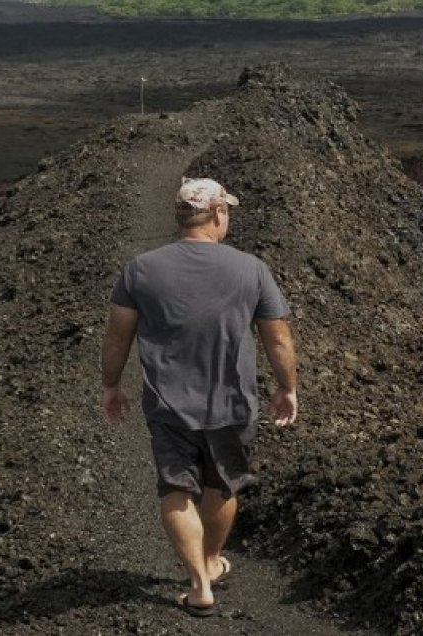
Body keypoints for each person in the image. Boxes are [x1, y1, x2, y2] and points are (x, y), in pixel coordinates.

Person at [100, 177, 298, 617]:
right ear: (217, 214)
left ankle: (198, 584)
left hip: (168, 406)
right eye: (226, 209)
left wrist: (111, 385)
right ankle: (209, 560)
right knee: (222, 484)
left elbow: (117, 337)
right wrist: (287, 388)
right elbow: (278, 339)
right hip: (232, 405)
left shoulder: (141, 270)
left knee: (176, 489)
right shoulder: (252, 269)